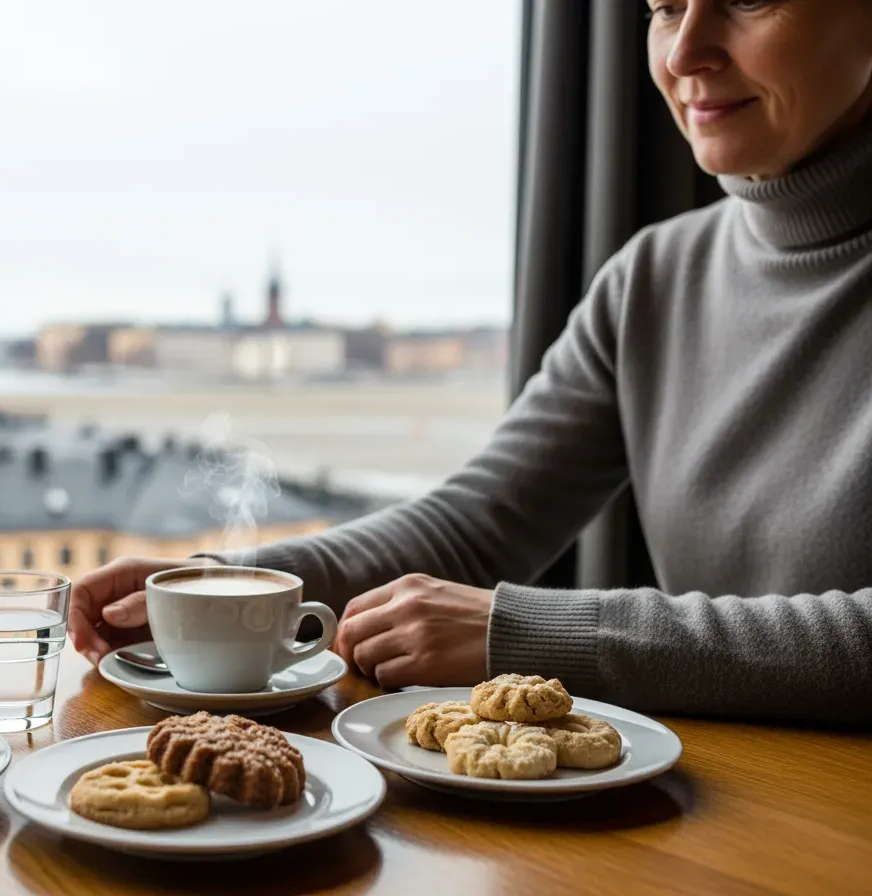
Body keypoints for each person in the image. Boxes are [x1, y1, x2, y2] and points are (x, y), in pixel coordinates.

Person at [70, 0, 872, 726]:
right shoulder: (654, 277)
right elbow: (477, 524)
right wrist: (227, 586)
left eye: (746, 2)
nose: (684, 52)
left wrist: (529, 636)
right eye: (664, 8)